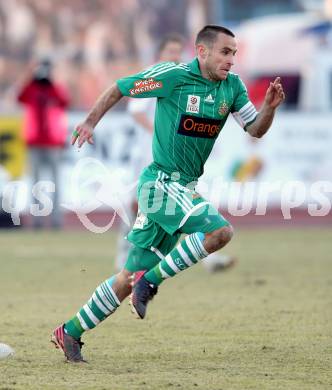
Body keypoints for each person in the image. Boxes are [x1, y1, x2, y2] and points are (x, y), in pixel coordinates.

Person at [51, 25, 285, 362]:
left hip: (182, 187)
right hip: (160, 183)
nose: (231, 60)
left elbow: (255, 129)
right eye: (225, 52)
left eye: (234, 53)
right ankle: (152, 280)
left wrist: (270, 108)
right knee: (219, 232)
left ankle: (69, 332)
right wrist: (89, 122)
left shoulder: (232, 87)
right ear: (201, 51)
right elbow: (120, 88)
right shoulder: (173, 76)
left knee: (126, 279)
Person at [117, 33, 236, 274]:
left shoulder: (185, 78)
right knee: (135, 208)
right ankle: (124, 255)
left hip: (177, 162)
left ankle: (209, 258)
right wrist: (162, 133)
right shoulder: (155, 75)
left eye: (177, 51)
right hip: (148, 155)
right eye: (169, 51)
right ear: (159, 55)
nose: (174, 56)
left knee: (189, 204)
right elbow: (135, 110)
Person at [17, 59, 69, 229]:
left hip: (53, 142)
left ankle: (55, 221)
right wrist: (30, 77)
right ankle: (37, 220)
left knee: (54, 183)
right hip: (35, 142)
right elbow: (19, 97)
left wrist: (53, 81)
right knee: (36, 183)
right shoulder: (31, 88)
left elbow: (65, 101)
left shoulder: (54, 89)